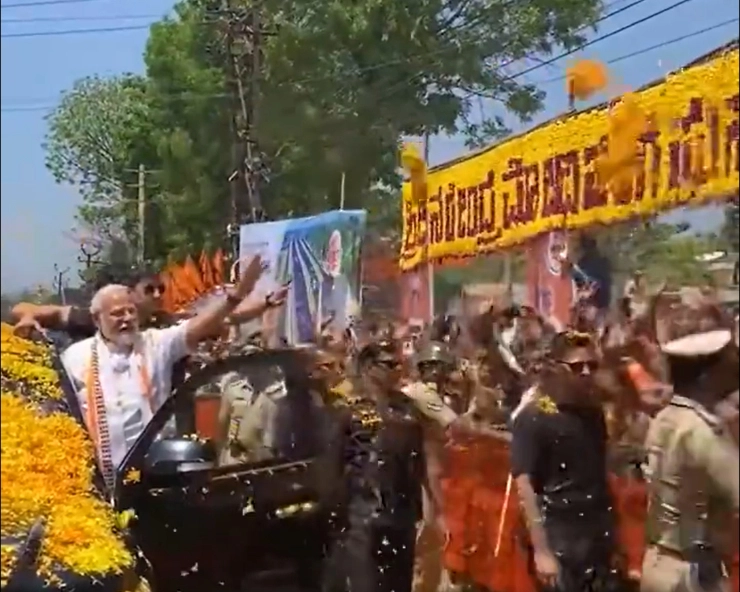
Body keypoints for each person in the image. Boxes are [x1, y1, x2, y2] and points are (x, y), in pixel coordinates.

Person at [60, 256, 266, 490]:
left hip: (155, 480)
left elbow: (200, 325)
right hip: (97, 484)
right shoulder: (74, 358)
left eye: (131, 311)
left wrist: (236, 297)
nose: (127, 318)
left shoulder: (156, 344)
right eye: (118, 314)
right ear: (97, 319)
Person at [510, 331, 623, 592]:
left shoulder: (593, 415)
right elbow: (525, 485)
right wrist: (541, 550)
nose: (585, 373)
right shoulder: (535, 416)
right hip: (558, 533)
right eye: (576, 367)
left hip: (595, 535)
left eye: (591, 366)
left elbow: (599, 477)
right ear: (555, 368)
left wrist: (614, 538)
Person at [640, 304, 739, 592]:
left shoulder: (665, 418)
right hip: (692, 576)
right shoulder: (702, 433)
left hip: (660, 563)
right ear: (708, 373)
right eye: (729, 359)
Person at [322, 339, 425, 592]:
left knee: (400, 584)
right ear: (369, 367)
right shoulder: (348, 409)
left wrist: (423, 512)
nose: (397, 370)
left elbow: (418, 461)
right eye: (389, 364)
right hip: (363, 518)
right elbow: (332, 466)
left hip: (402, 516)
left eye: (399, 364)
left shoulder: (407, 408)